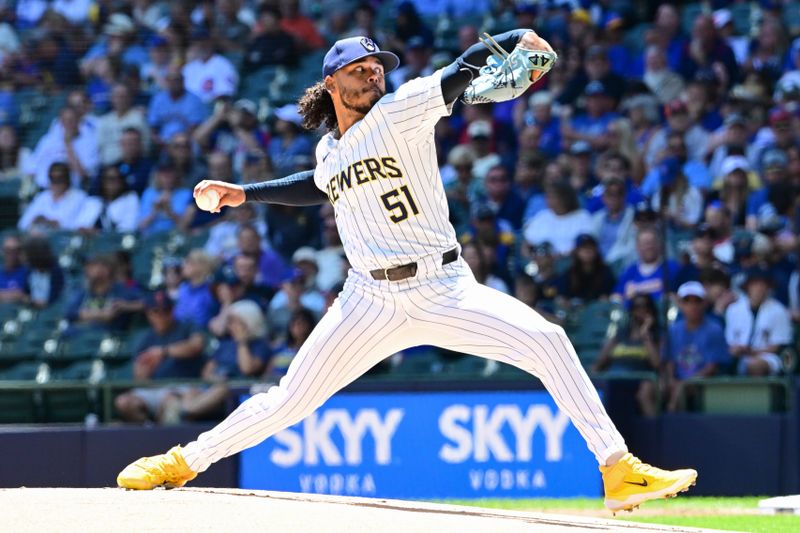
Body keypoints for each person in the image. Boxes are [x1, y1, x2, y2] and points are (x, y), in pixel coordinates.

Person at [118, 32, 697, 512]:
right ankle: (181, 462)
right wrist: (245, 193)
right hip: (367, 298)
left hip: (442, 285)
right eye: (360, 67)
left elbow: (461, 69)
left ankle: (618, 469)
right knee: (289, 399)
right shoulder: (329, 151)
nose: (373, 73)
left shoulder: (402, 109)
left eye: (377, 66)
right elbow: (316, 187)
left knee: (548, 341)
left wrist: (516, 38)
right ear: (331, 82)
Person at [161, 299, 271, 424]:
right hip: (212, 386)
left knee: (223, 387)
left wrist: (242, 342)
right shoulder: (225, 344)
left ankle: (186, 411)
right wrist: (215, 378)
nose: (231, 326)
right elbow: (206, 371)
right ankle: (186, 414)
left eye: (236, 322)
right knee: (191, 389)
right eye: (230, 322)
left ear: (249, 322)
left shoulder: (260, 345)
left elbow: (247, 369)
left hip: (237, 389)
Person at [114, 290, 205, 424]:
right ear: (148, 313)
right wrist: (146, 370)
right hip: (155, 389)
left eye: (166, 310)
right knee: (123, 402)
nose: (161, 315)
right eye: (156, 311)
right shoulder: (146, 339)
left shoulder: (186, 327)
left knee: (171, 403)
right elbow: (140, 380)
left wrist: (164, 351)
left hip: (184, 387)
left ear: (172, 310)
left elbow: (197, 345)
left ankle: (167, 441)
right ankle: (149, 430)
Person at [661, 282, 730, 412]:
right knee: (650, 390)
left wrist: (686, 383)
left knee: (680, 391)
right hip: (677, 381)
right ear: (680, 304)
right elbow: (669, 360)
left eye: (697, 301)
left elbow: (712, 367)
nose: (692, 306)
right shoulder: (673, 330)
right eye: (687, 301)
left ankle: (672, 425)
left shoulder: (714, 329)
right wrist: (670, 379)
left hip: (704, 382)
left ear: (704, 304)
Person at [593, 293, 661, 417]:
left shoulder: (656, 336)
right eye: (637, 306)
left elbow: (657, 363)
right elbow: (601, 361)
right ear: (632, 310)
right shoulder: (621, 334)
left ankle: (655, 432)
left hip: (638, 379)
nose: (642, 310)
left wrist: (646, 334)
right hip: (614, 379)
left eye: (646, 306)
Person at [725, 268, 792, 376]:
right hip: (739, 356)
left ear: (768, 287)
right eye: (755, 284)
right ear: (747, 286)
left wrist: (753, 352)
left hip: (768, 356)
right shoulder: (733, 309)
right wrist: (737, 350)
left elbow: (778, 346)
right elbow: (730, 341)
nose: (759, 288)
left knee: (754, 365)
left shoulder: (779, 310)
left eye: (763, 284)